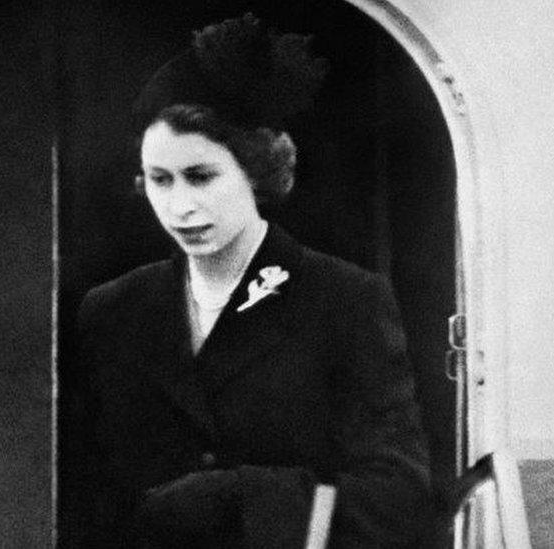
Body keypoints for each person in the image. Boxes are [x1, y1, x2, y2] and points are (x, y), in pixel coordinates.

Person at [67, 14, 433, 548]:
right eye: (159, 180)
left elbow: (398, 495)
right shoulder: (114, 309)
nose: (180, 206)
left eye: (201, 176)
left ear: (255, 171)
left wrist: (244, 497)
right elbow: (88, 491)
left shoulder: (344, 299)